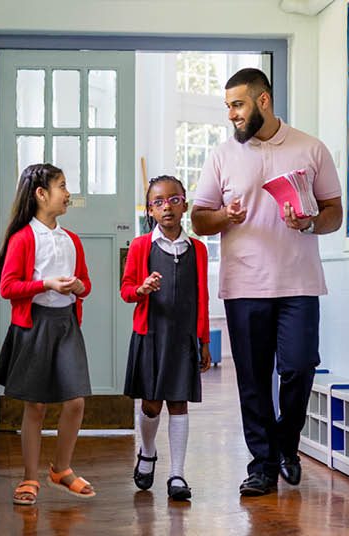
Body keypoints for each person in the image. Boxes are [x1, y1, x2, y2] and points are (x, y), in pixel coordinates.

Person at [191, 69, 343, 496]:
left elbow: (335, 211)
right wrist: (226, 217)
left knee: (299, 367)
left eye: (237, 105)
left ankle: (286, 444)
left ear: (263, 101)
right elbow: (200, 218)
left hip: (299, 283)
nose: (231, 115)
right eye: (227, 107)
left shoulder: (310, 148)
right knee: (254, 381)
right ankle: (262, 464)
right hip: (243, 286)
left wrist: (311, 221)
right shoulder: (222, 155)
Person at [0, 163, 96, 505]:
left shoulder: (72, 240)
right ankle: (28, 478)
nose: (68, 194)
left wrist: (80, 287)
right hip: (33, 326)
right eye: (62, 186)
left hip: (66, 325)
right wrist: (46, 284)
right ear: (41, 194)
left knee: (76, 401)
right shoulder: (23, 239)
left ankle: (61, 469)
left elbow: (86, 283)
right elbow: (8, 287)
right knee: (34, 406)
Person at [121, 175, 213, 501]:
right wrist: (141, 289)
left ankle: (177, 473)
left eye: (174, 199)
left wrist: (204, 341)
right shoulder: (140, 246)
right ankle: (147, 452)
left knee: (178, 404)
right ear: (150, 210)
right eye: (158, 202)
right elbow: (126, 291)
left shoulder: (198, 250)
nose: (167, 207)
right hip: (151, 335)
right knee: (150, 404)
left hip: (183, 338)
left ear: (184, 204)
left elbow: (202, 297)